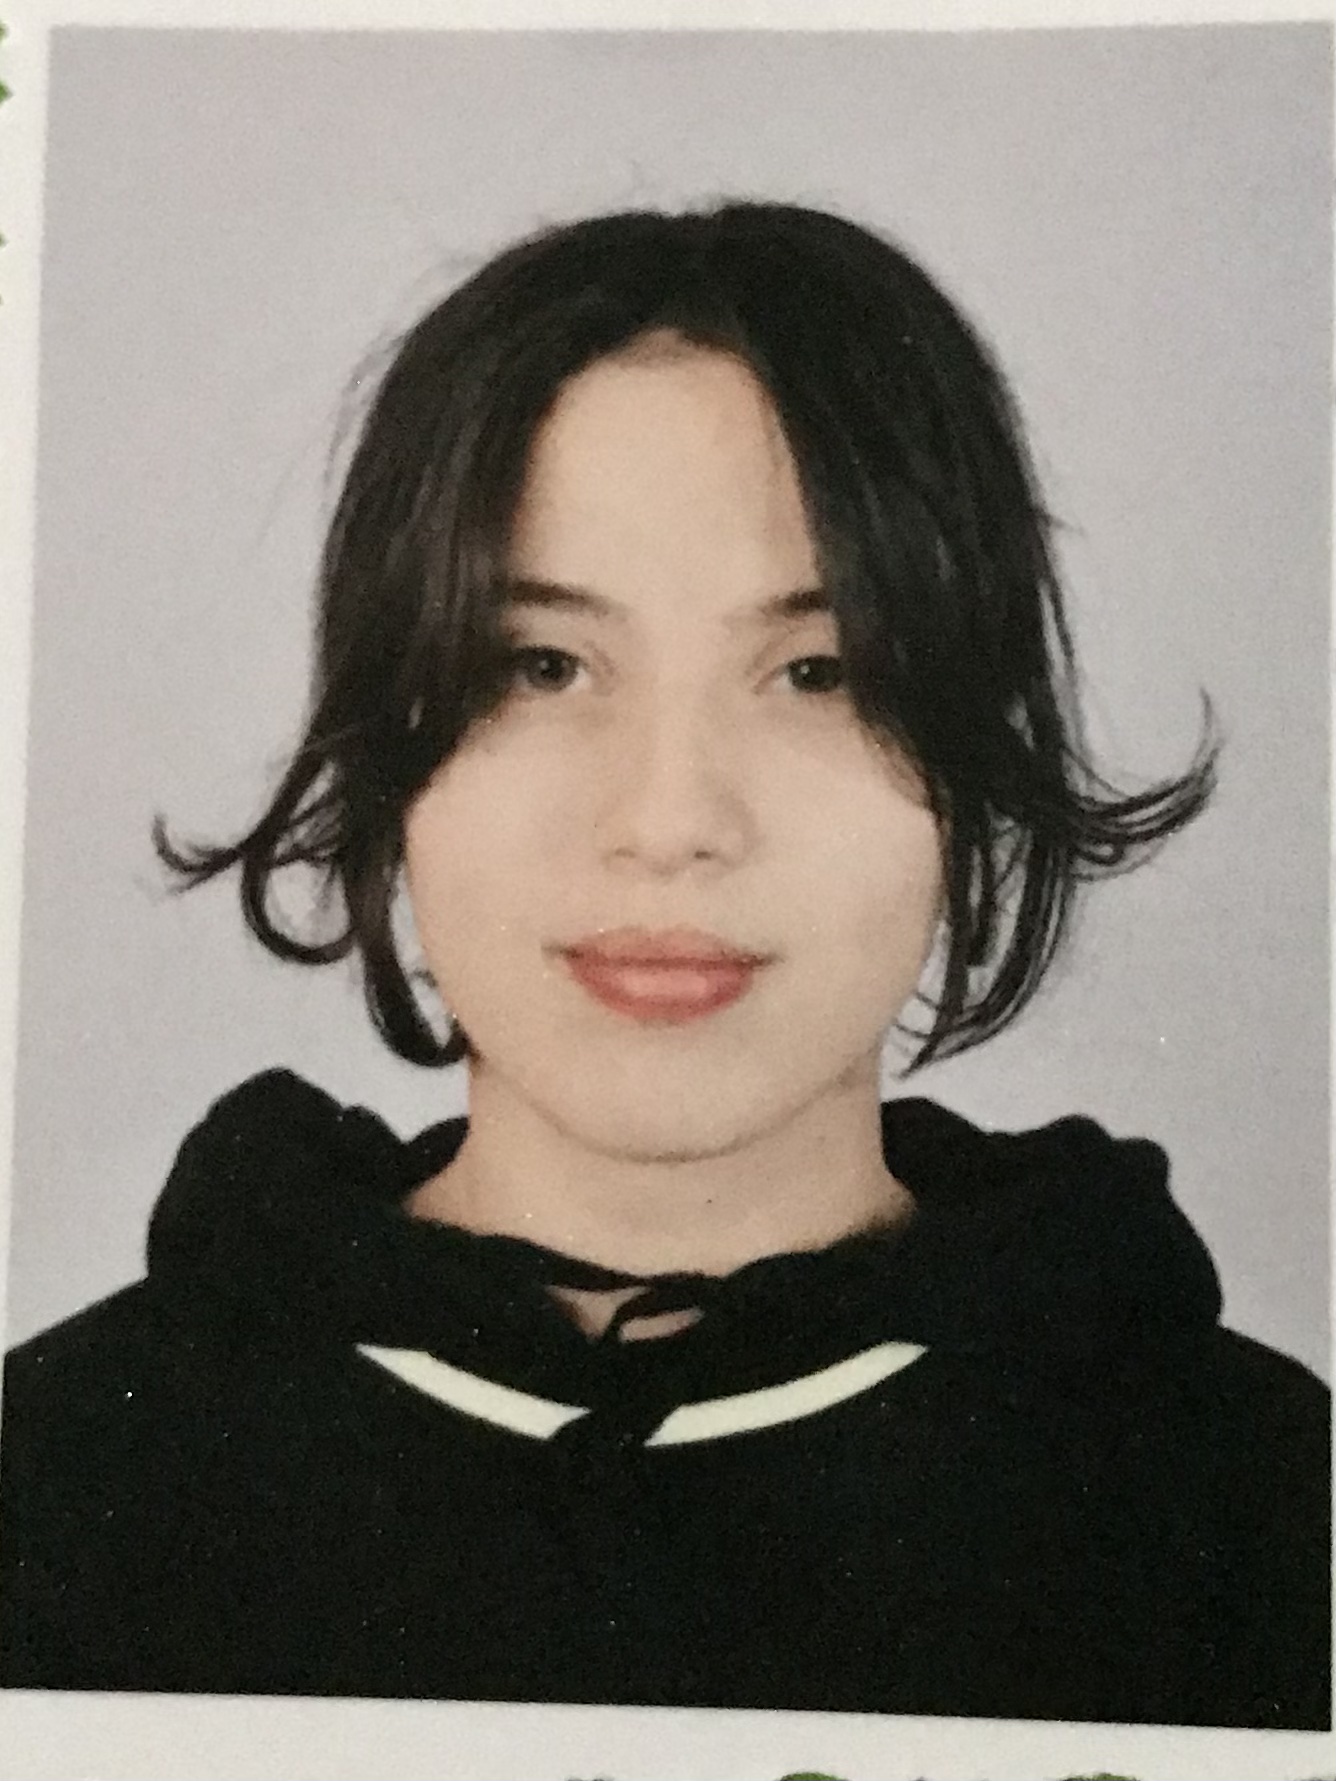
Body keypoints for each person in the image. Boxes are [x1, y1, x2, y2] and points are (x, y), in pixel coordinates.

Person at [0, 200, 1327, 1727]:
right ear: (391, 749)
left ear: (974, 758)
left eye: (818, 671)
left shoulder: (1267, 1515)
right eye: (543, 665)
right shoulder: (59, 1480)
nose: (671, 821)